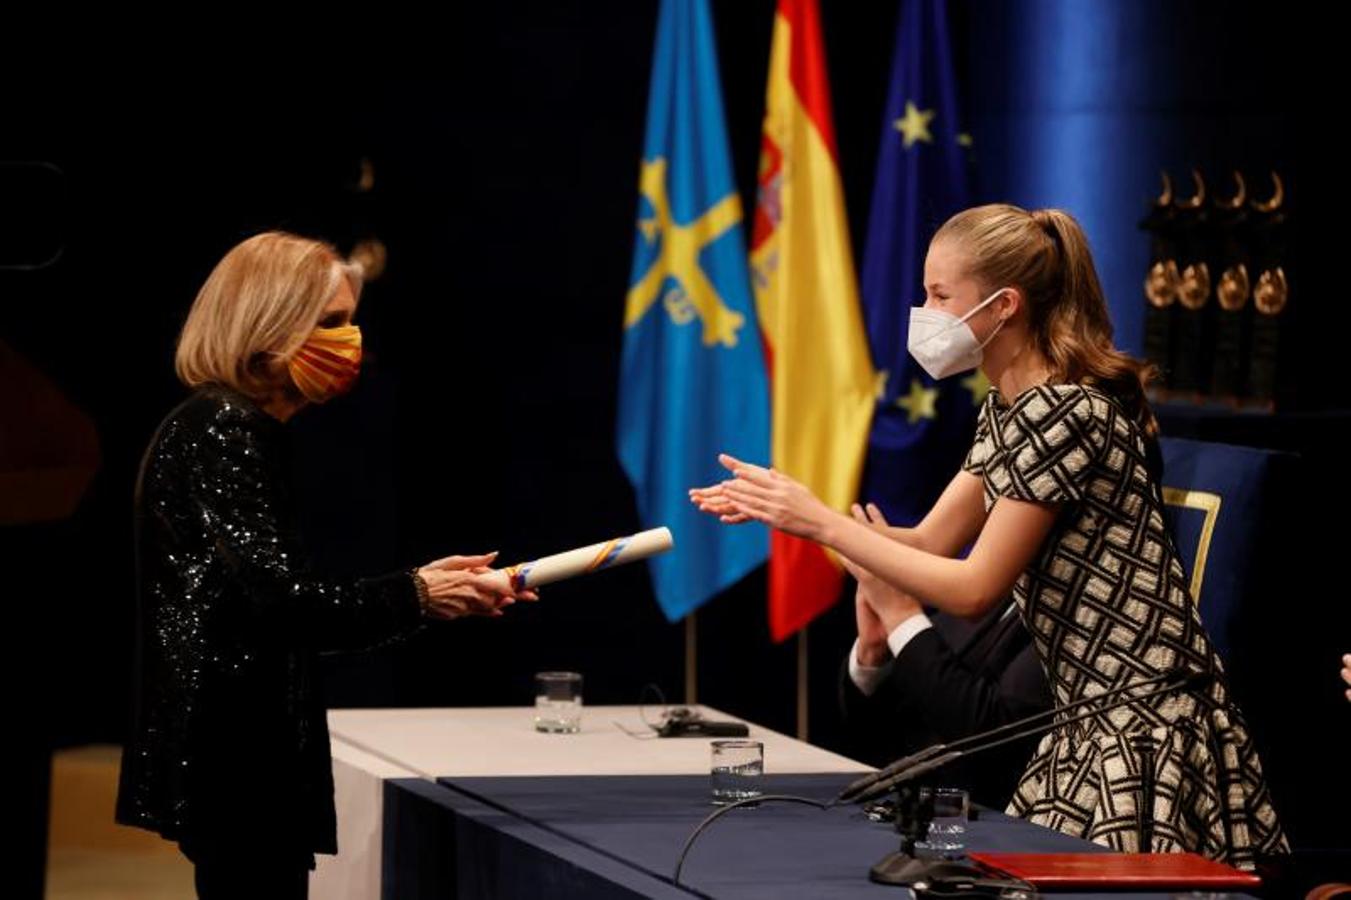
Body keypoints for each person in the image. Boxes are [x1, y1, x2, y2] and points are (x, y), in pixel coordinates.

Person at [692, 204, 1287, 869]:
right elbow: (924, 548)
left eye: (939, 295)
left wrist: (817, 521)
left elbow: (975, 589)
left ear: (1004, 305)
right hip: (1082, 723)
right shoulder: (1006, 411)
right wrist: (797, 513)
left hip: (1140, 727)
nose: (924, 311)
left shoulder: (1065, 410)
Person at [115, 231, 534, 899]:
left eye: (352, 321)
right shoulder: (222, 428)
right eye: (332, 323)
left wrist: (424, 591)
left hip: (245, 755)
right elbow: (281, 606)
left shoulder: (243, 429)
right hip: (237, 760)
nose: (351, 341)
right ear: (268, 328)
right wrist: (418, 594)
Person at [838, 514, 1051, 808]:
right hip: (897, 808)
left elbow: (991, 733)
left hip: (985, 826)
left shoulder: (1075, 623)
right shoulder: (998, 589)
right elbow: (876, 731)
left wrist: (900, 615)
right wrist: (874, 652)